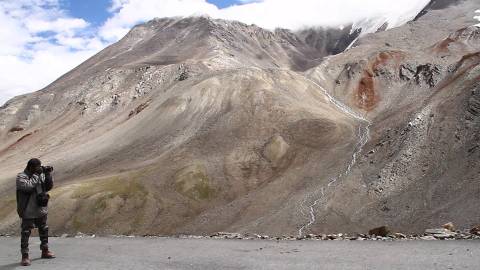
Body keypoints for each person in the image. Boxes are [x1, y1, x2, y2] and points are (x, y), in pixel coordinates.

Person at [16, 158, 55, 266]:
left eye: (40, 166)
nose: (39, 168)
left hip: (40, 208)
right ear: (30, 167)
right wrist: (36, 175)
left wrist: (47, 175)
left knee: (44, 229)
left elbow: (48, 187)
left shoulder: (40, 174)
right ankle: (25, 256)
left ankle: (45, 250)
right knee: (26, 232)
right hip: (28, 209)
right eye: (36, 167)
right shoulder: (21, 177)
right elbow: (27, 187)